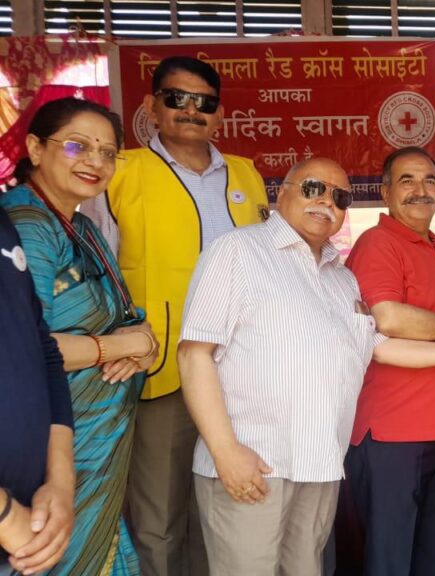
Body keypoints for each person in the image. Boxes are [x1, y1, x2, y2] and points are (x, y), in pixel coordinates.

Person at [177, 157, 435, 576]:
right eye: (313, 188)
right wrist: (225, 450)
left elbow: (381, 348)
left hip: (319, 465)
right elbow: (193, 355)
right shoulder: (238, 251)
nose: (326, 202)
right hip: (256, 462)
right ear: (282, 193)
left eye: (339, 197)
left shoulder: (340, 278)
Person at [83, 56, 268, 576]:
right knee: (160, 517)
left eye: (204, 102)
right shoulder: (122, 173)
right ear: (151, 106)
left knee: (227, 509)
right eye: (176, 98)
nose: (191, 110)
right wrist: (118, 339)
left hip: (242, 373)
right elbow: (94, 269)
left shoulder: (246, 175)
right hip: (161, 368)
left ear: (220, 113)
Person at [1, 97, 162, 575]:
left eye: (108, 152)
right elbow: (27, 348)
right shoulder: (28, 225)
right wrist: (122, 346)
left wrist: (141, 344)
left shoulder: (82, 226)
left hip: (94, 445)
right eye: (77, 146)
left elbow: (124, 318)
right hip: (53, 447)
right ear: (35, 148)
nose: (95, 161)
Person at [344, 147, 435, 576]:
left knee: (432, 560)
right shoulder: (379, 244)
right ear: (385, 192)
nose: (420, 190)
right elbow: (387, 318)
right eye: (406, 180)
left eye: (429, 180)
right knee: (388, 562)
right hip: (395, 436)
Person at [0, 205, 74, 576]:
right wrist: (5, 517)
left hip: (27, 530)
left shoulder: (3, 222)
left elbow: (44, 350)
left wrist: (60, 479)